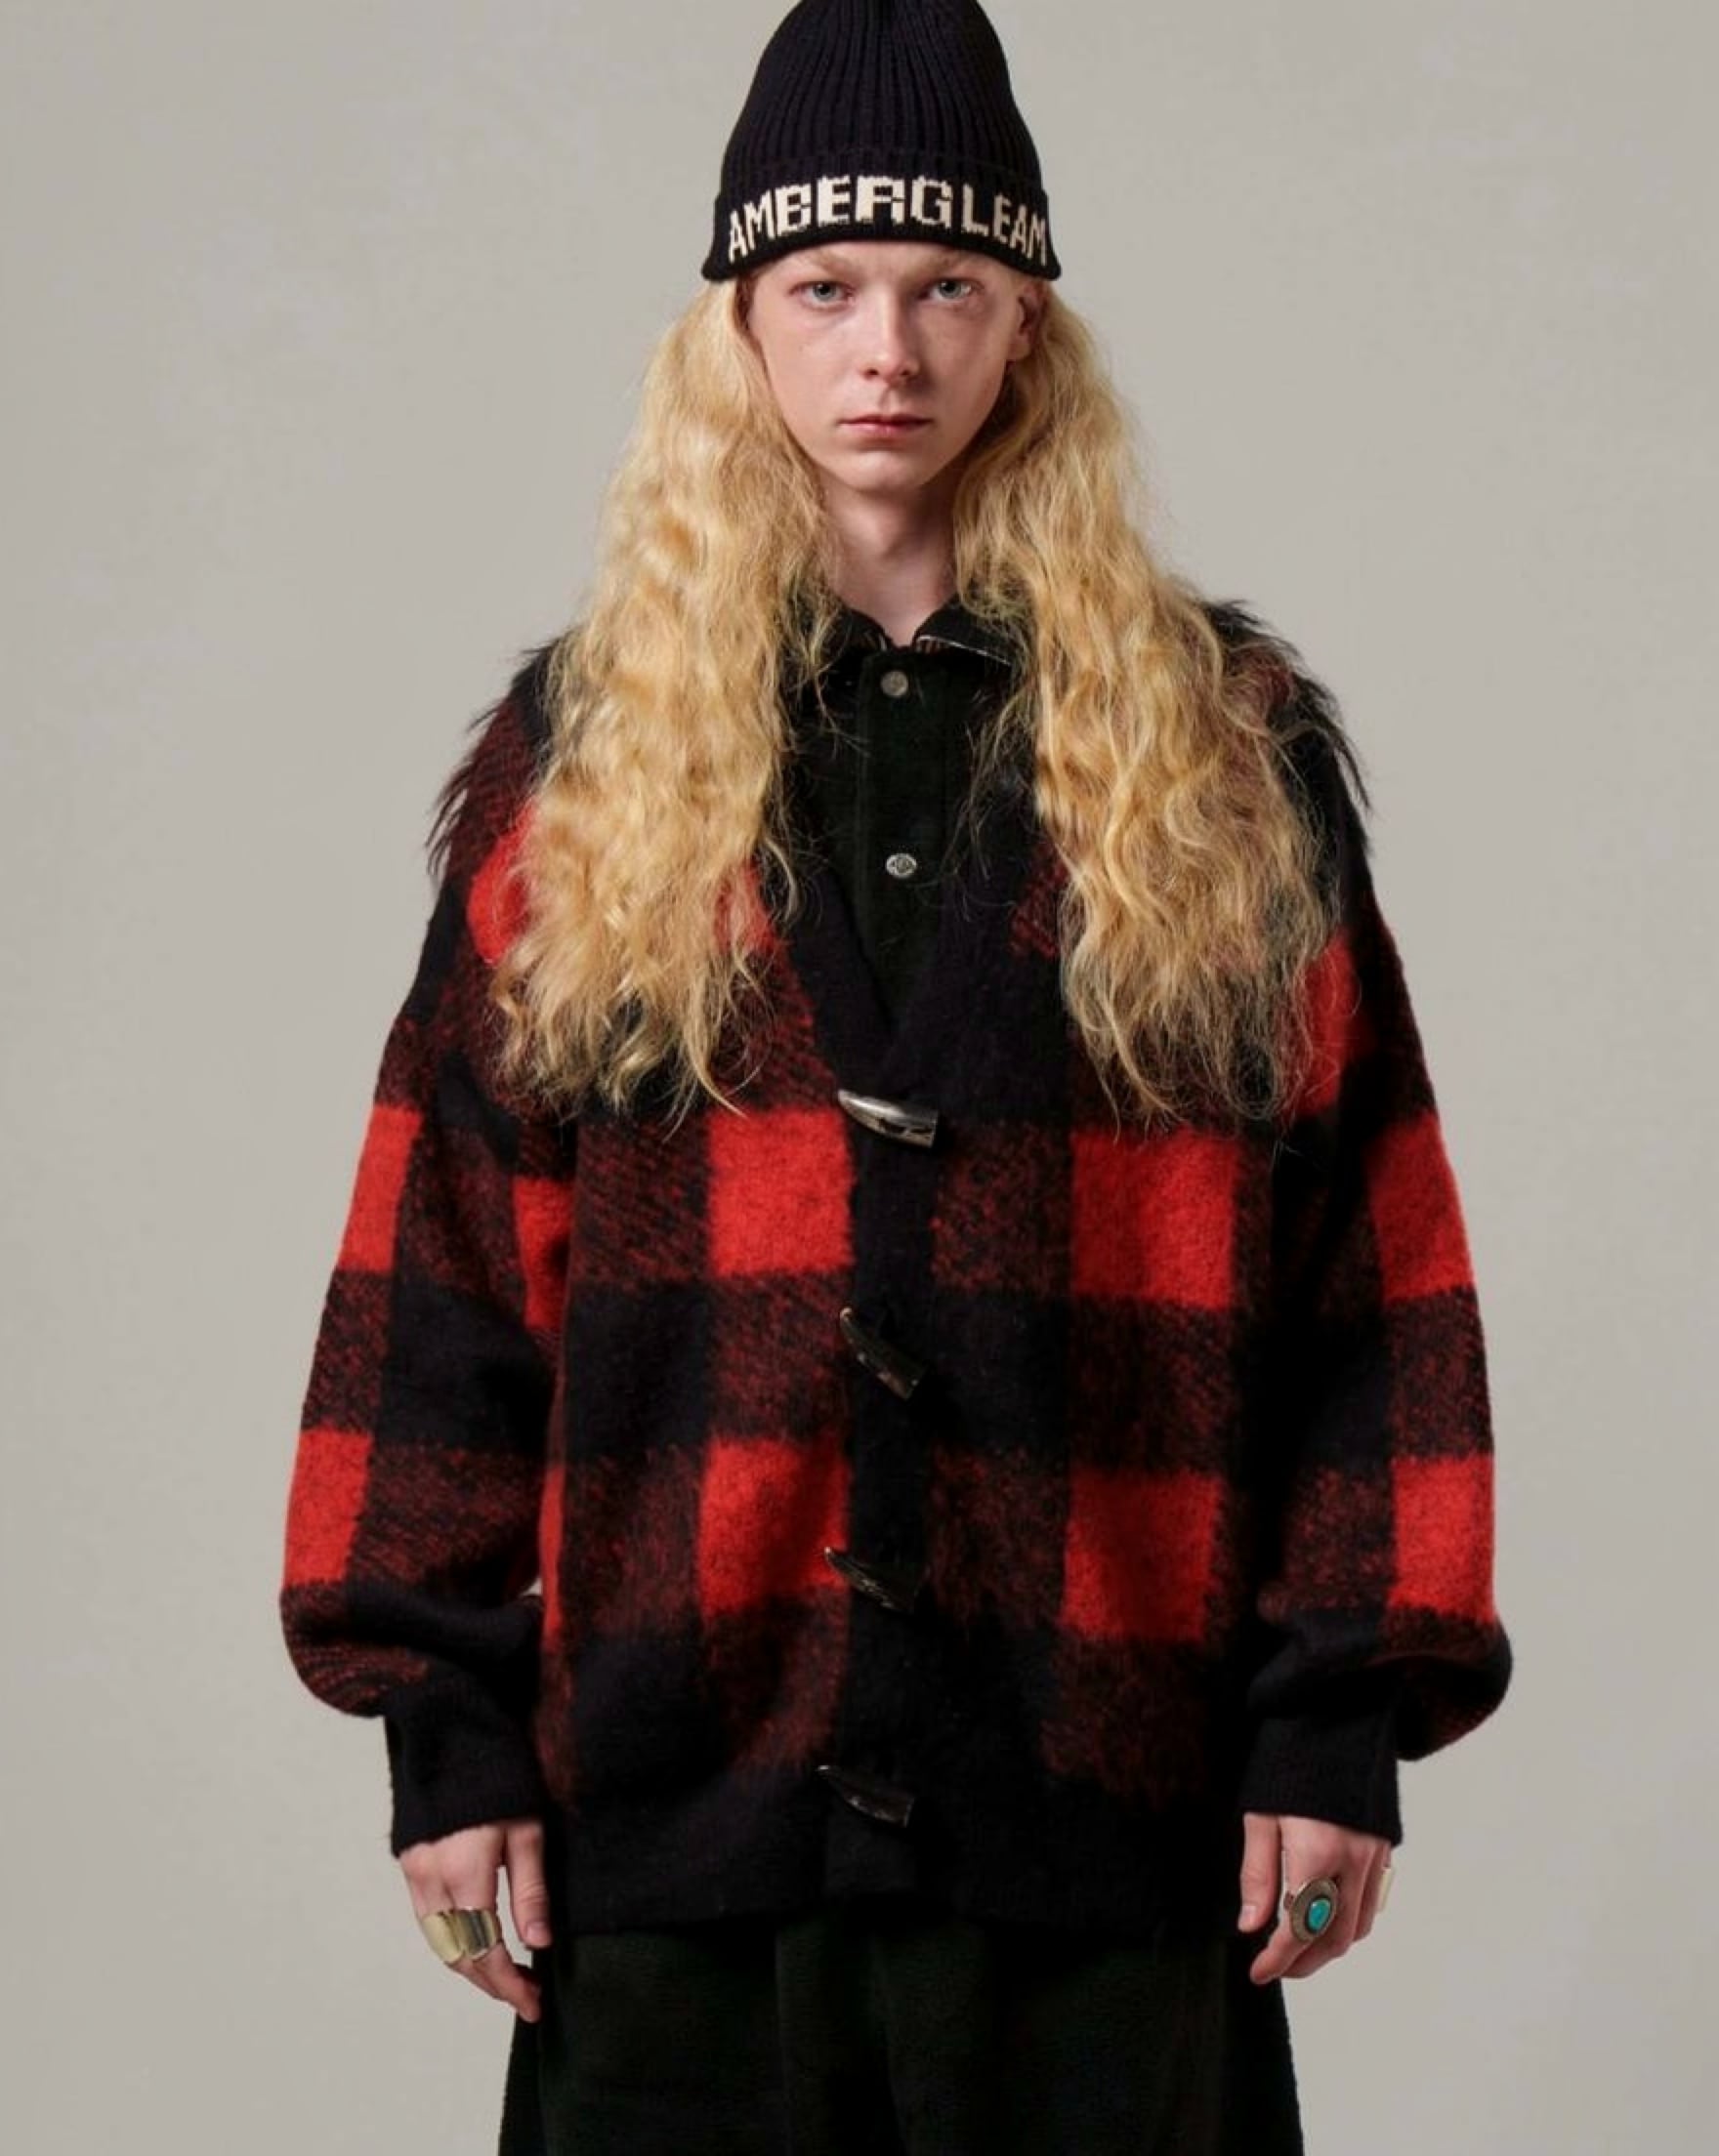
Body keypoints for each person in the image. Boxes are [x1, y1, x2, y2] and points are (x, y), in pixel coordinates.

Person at [278, 3, 1513, 2149]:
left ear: (1029, 325)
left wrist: (1337, 1716)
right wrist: (444, 1731)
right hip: (676, 1806)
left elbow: (1362, 1269)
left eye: (950, 286)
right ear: (737, 327)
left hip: (1107, 1804)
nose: (887, 351)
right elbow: (447, 1260)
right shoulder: (585, 760)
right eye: (824, 288)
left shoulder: (1222, 755)